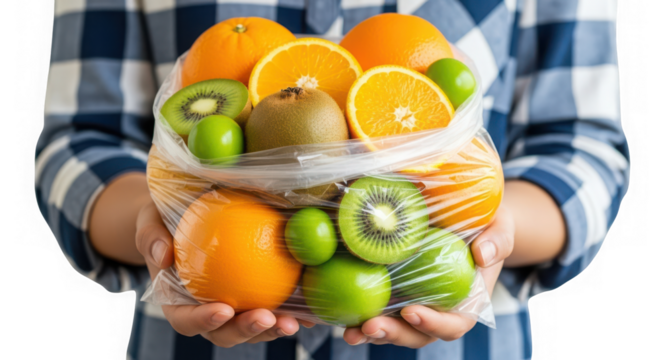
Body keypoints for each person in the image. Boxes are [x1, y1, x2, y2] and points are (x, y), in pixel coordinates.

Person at [37, 0, 627, 359]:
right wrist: (162, 232)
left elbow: (582, 145)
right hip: (197, 324)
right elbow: (79, 142)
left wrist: (496, 233)